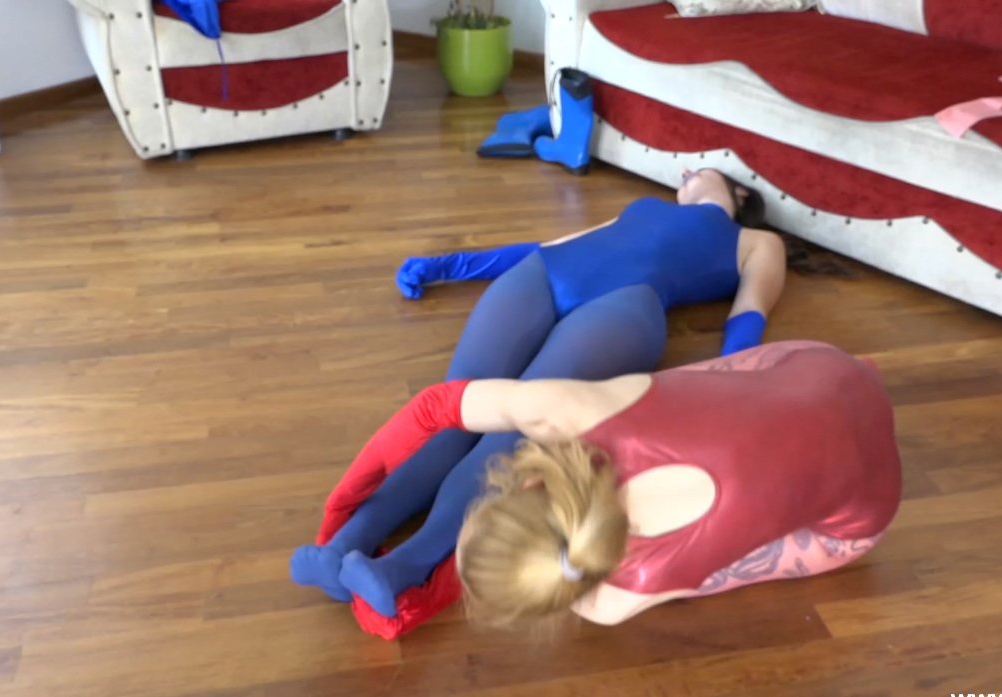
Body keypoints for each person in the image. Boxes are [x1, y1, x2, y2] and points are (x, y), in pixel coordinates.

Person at [291, 169, 790, 616]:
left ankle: (404, 566)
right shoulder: (644, 206)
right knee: (453, 411)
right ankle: (344, 544)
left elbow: (749, 314)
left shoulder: (756, 240)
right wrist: (450, 266)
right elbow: (554, 244)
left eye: (700, 168)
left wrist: (728, 390)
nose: (684, 171)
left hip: (625, 304)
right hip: (546, 272)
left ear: (742, 192)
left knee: (509, 433)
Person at [454, 342, 902, 626]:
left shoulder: (610, 603)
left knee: (707, 559)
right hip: (826, 366)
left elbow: (574, 584)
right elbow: (473, 402)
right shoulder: (569, 412)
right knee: (672, 396)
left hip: (864, 513)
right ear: (530, 485)